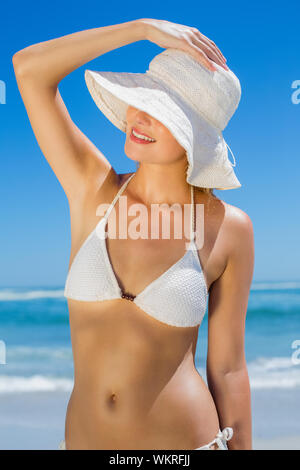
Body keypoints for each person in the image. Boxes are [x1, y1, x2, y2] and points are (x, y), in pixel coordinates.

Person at [12, 18, 254, 450]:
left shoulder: (229, 228)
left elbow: (230, 368)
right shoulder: (92, 189)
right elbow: (29, 69)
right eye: (140, 100)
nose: (138, 117)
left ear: (194, 136)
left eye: (163, 112)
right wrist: (140, 29)